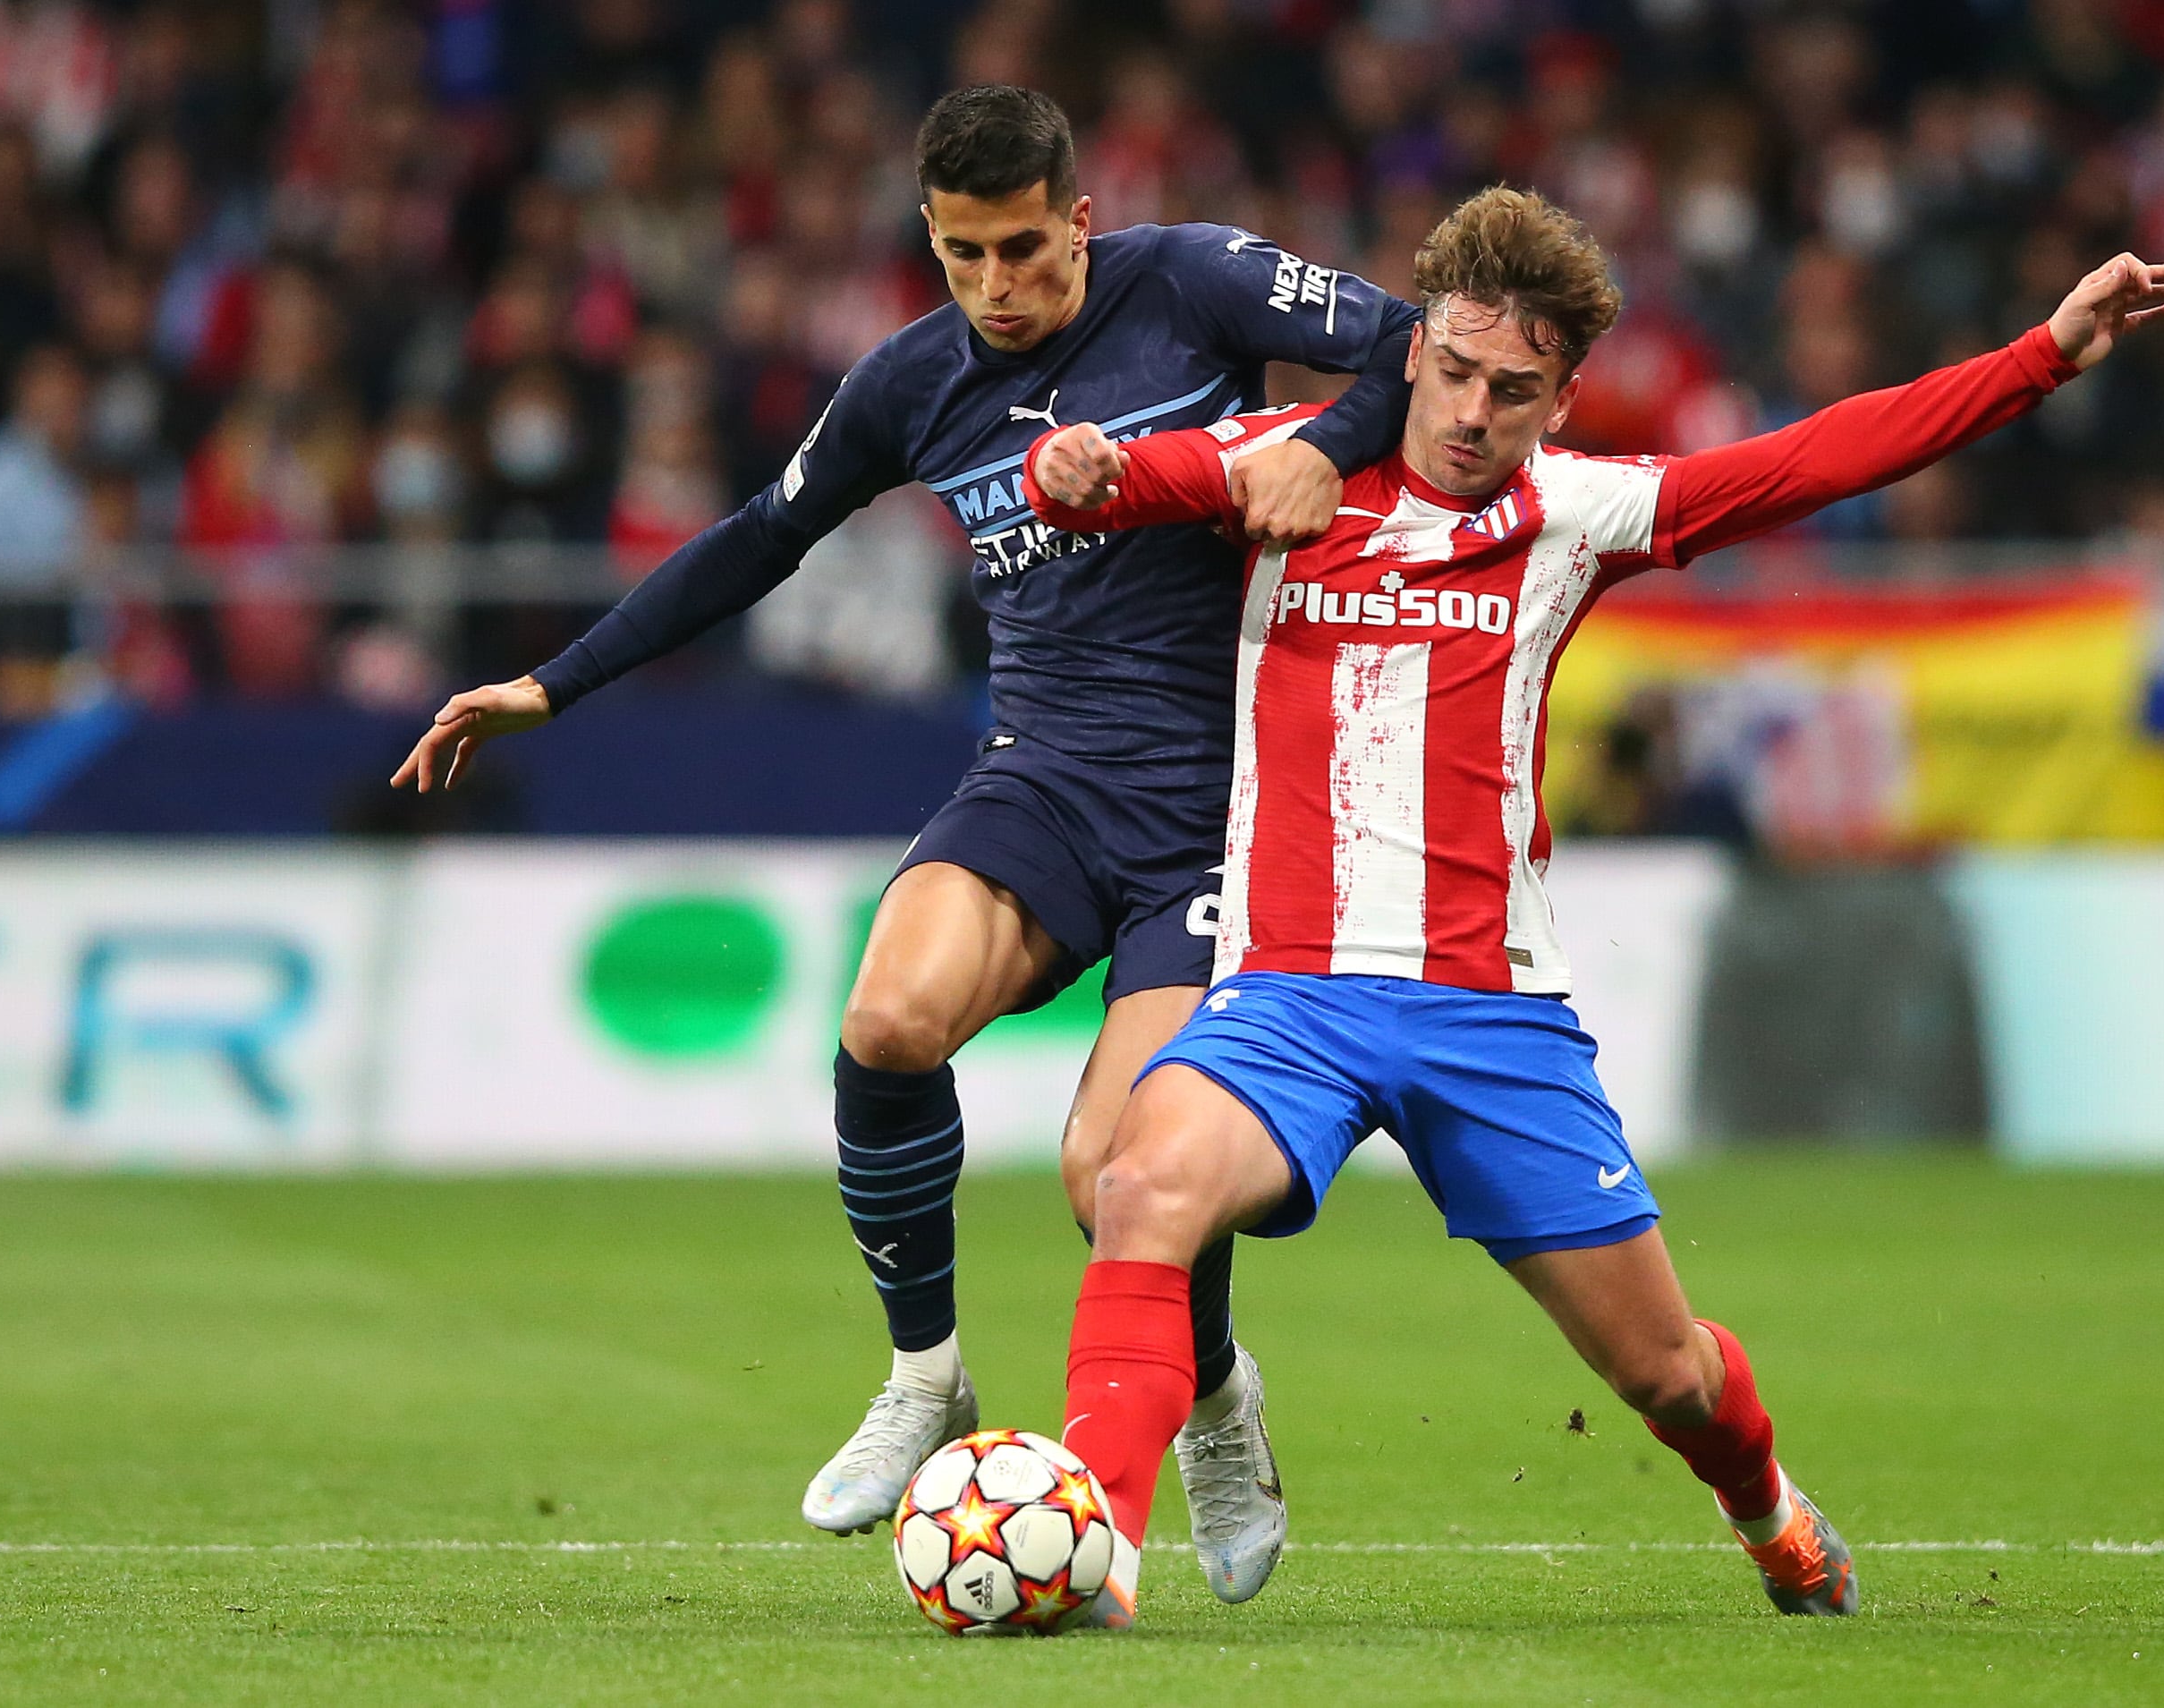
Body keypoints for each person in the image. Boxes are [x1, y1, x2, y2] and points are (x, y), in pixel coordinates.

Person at [1022, 187, 2164, 1627]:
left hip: (1490, 1014)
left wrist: (2043, 354)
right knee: (1141, 1187)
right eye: (1449, 370)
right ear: (1414, 349)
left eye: (1513, 391)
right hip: (1291, 996)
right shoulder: (1285, 470)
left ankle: (1767, 1511)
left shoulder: (1578, 512)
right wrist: (1077, 467)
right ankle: (1093, 1560)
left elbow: (1815, 460)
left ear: (1561, 396)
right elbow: (1127, 479)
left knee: (1666, 1375)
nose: (1468, 411)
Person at [389, 85, 1426, 1602]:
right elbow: (759, 535)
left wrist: (1328, 445)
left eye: (1023, 250)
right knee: (885, 1019)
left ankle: (1214, 1400)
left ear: (1080, 219)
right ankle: (926, 1372)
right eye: (961, 257)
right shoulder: (913, 380)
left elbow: (1414, 341)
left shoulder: (1194, 278)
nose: (997, 290)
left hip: (1224, 809)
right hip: (1045, 779)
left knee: (1116, 1171)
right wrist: (554, 682)